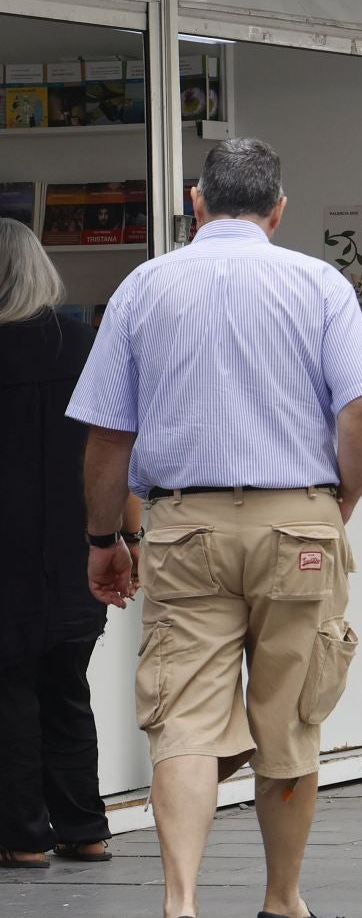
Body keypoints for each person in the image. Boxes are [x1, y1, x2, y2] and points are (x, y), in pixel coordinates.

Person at [67, 138, 362, 918]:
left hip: (184, 527)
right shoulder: (318, 284)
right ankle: (282, 899)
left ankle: (180, 904)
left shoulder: (144, 287)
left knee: (182, 718)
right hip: (300, 523)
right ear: (278, 209)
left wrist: (103, 540)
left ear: (196, 200)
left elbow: (109, 438)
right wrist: (339, 497)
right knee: (292, 714)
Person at [0, 222, 137, 870]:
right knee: (67, 688)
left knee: (10, 692)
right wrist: (127, 535)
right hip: (77, 547)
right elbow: (122, 446)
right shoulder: (87, 344)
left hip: (7, 555)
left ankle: (24, 834)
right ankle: (85, 827)